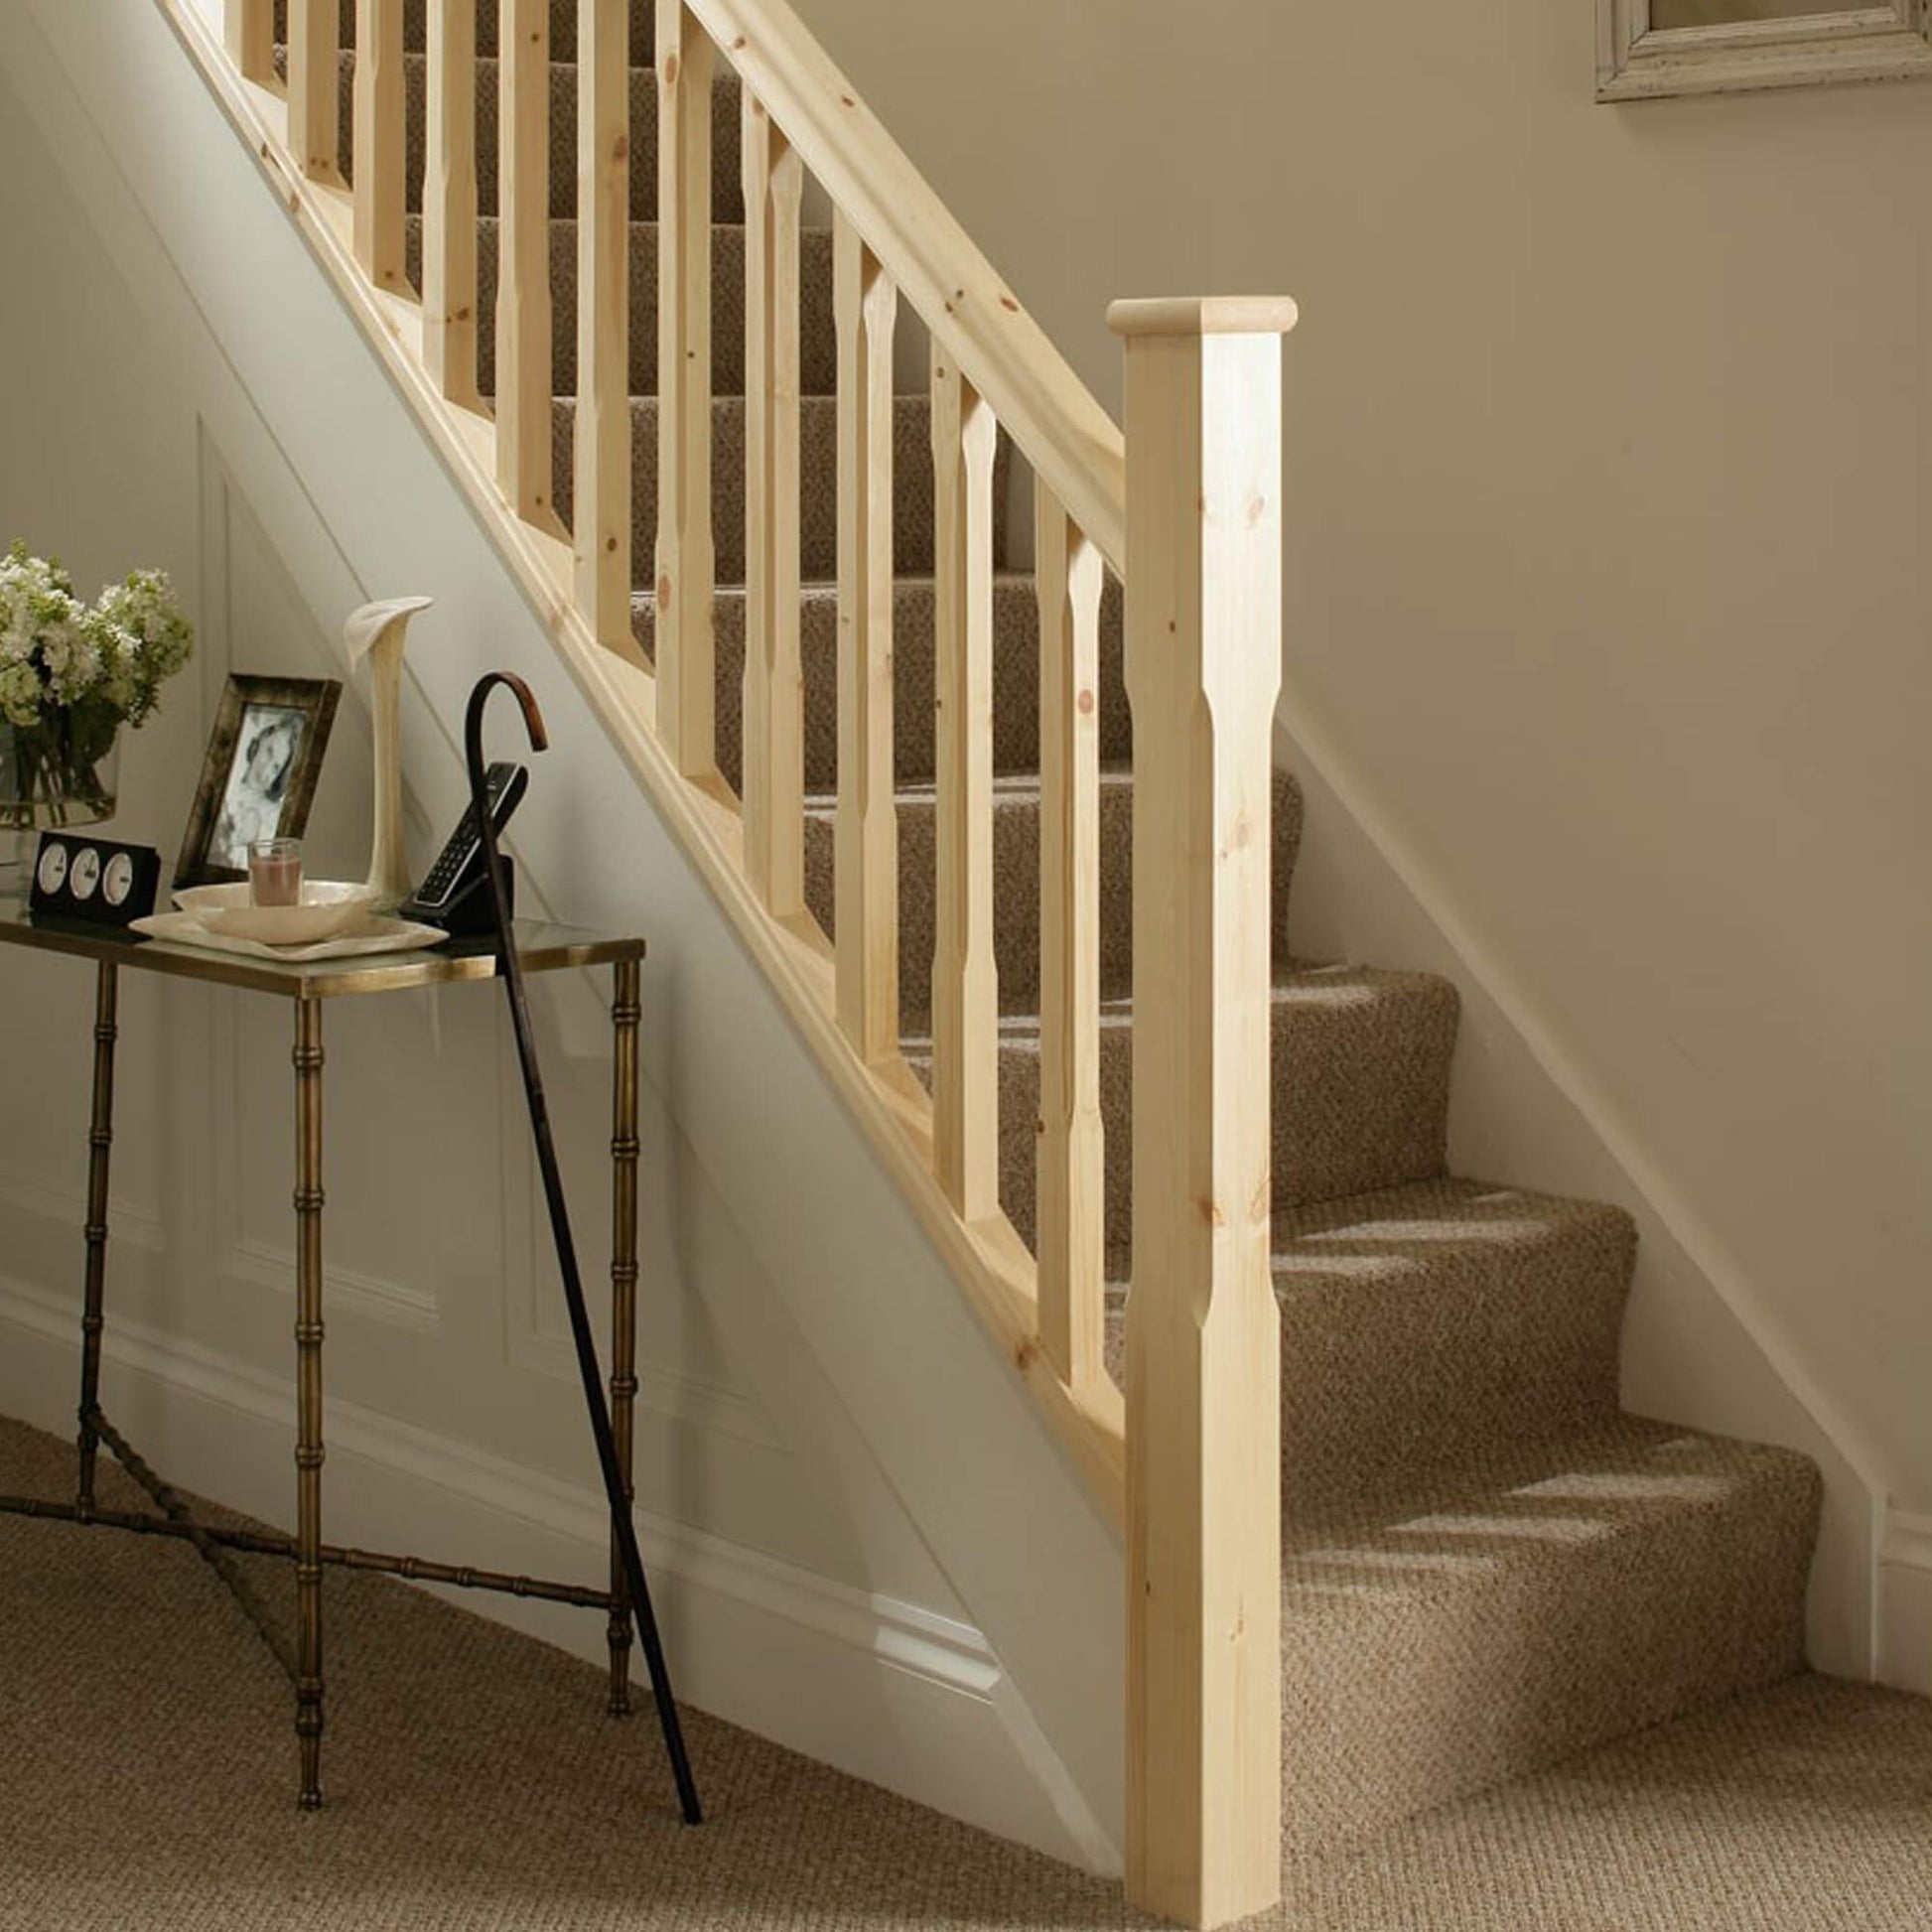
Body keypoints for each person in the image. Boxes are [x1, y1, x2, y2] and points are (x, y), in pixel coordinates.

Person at [213, 710, 300, 868]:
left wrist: (250, 842)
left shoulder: (272, 815)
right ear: (261, 740)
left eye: (275, 767)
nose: (266, 768)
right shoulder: (226, 779)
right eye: (269, 751)